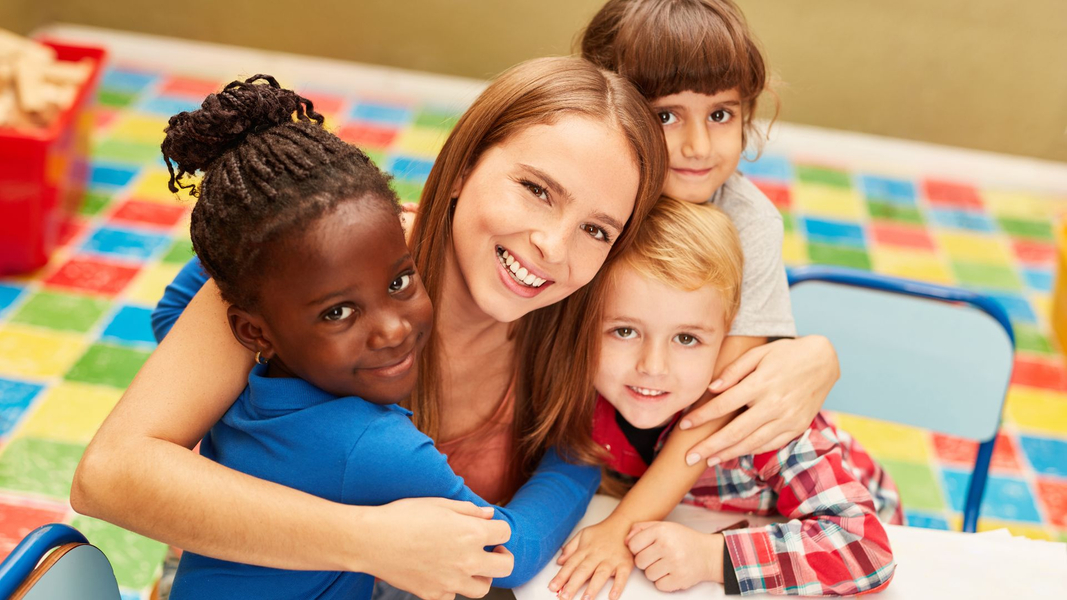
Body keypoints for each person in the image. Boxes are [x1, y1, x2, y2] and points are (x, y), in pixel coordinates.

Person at [72, 56, 666, 599]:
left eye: (597, 230)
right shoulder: (333, 257)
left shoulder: (585, 322)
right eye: (536, 190)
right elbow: (108, 474)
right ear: (461, 168)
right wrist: (351, 526)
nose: (553, 246)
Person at [549, 2, 845, 596]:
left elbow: (714, 411)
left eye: (720, 113)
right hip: (615, 462)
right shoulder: (585, 197)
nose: (696, 145)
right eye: (666, 115)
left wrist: (623, 526)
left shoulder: (748, 221)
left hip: (730, 489)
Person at [566, 197, 901, 596]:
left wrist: (712, 558)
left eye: (686, 338)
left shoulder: (761, 423)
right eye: (625, 331)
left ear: (729, 340)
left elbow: (866, 550)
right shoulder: (579, 397)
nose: (653, 367)